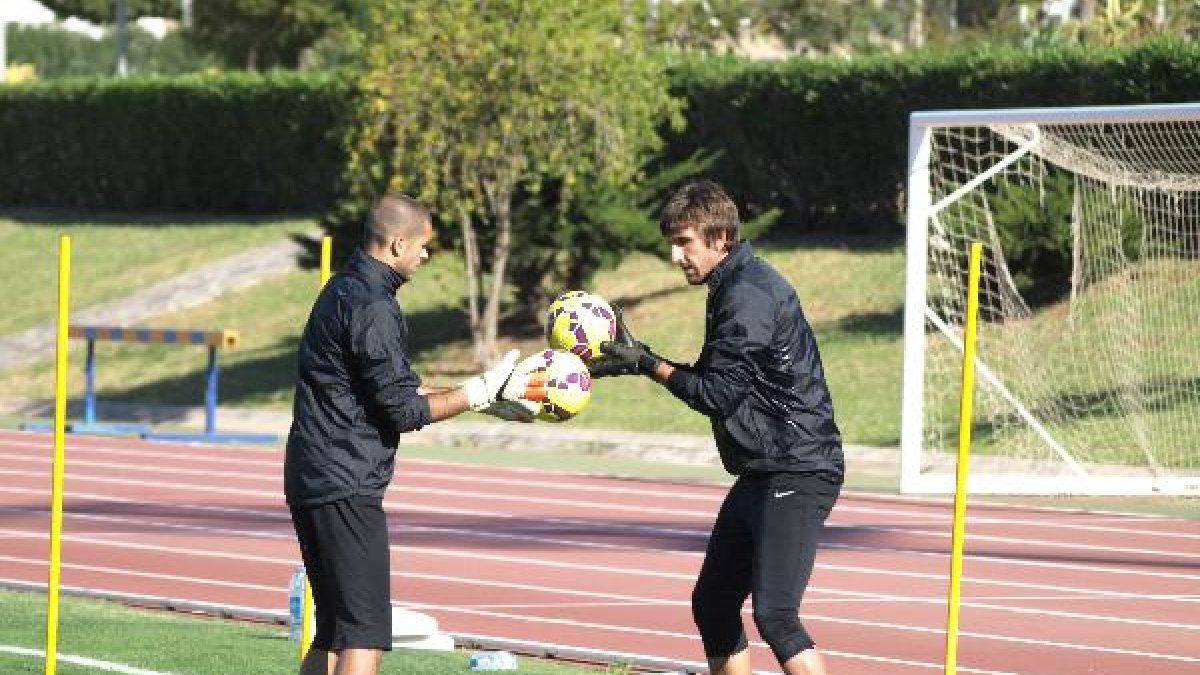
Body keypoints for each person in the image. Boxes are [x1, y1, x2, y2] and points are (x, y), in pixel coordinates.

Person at [593, 179, 844, 675]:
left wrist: (647, 363)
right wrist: (643, 362)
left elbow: (716, 394)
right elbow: (719, 381)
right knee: (713, 604)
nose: (675, 254)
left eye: (684, 241)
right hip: (760, 470)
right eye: (673, 242)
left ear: (720, 237)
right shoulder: (732, 284)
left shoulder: (748, 293)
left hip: (797, 469)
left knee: (776, 616)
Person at [283, 194, 541, 675]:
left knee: (333, 630)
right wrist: (478, 391)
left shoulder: (342, 288)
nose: (426, 254)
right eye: (423, 246)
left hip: (312, 474)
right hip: (346, 481)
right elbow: (403, 410)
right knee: (363, 635)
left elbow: (392, 388)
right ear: (398, 243)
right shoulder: (374, 305)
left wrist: (483, 401)